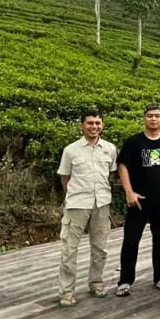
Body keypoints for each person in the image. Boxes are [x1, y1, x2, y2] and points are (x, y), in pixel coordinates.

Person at [116, 103, 160, 296]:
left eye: (157, 116)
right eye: (150, 116)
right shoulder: (134, 142)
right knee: (131, 239)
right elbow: (123, 166)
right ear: (145, 119)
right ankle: (125, 280)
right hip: (139, 200)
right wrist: (129, 191)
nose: (153, 119)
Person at [56, 110, 118, 306]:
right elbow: (64, 177)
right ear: (82, 125)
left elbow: (111, 174)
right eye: (90, 123)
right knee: (69, 249)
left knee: (100, 248)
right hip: (77, 205)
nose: (94, 127)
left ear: (102, 125)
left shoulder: (109, 149)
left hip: (101, 203)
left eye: (97, 123)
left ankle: (96, 283)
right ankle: (67, 291)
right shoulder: (71, 150)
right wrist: (73, 195)